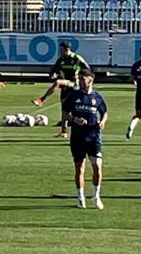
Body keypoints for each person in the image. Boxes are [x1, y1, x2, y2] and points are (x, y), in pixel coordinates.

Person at [39, 69, 108, 209]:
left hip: (94, 137)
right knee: (79, 168)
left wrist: (102, 122)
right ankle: (80, 197)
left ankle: (96, 196)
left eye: (83, 79)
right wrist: (74, 119)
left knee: (97, 167)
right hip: (77, 137)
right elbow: (65, 113)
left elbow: (104, 112)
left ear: (90, 80)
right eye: (79, 79)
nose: (80, 81)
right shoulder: (74, 96)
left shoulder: (97, 97)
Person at [49, 41, 91, 139]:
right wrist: (52, 75)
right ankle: (64, 131)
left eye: (61, 49)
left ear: (66, 49)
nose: (60, 51)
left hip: (74, 86)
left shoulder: (76, 58)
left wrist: (82, 78)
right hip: (65, 87)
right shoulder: (61, 60)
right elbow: (53, 70)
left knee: (76, 108)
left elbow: (87, 69)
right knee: (64, 109)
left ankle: (83, 127)